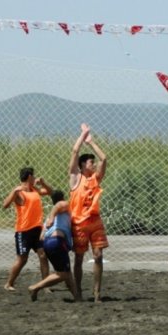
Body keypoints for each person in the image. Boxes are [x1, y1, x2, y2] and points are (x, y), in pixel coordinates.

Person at [69, 123, 109, 303]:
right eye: (91, 162)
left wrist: (91, 142)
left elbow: (104, 159)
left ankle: (97, 293)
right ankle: (78, 291)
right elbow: (74, 152)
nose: (93, 164)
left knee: (98, 256)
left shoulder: (95, 178)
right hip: (79, 223)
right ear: (83, 165)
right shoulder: (76, 178)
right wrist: (82, 135)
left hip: (95, 222)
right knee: (78, 258)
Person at [2, 167, 52, 291]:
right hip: (23, 231)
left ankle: (45, 285)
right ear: (29, 177)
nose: (35, 178)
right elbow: (5, 205)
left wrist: (43, 182)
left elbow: (51, 192)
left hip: (37, 230)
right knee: (22, 259)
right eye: (33, 176)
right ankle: (9, 283)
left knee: (43, 255)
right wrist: (14, 191)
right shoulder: (19, 192)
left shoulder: (34, 189)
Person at [28, 190, 80, 302]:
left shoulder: (49, 218)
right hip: (57, 242)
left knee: (66, 272)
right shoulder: (64, 206)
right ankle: (36, 287)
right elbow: (59, 205)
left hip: (48, 243)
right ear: (63, 197)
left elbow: (42, 236)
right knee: (63, 274)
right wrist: (52, 217)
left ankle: (78, 298)